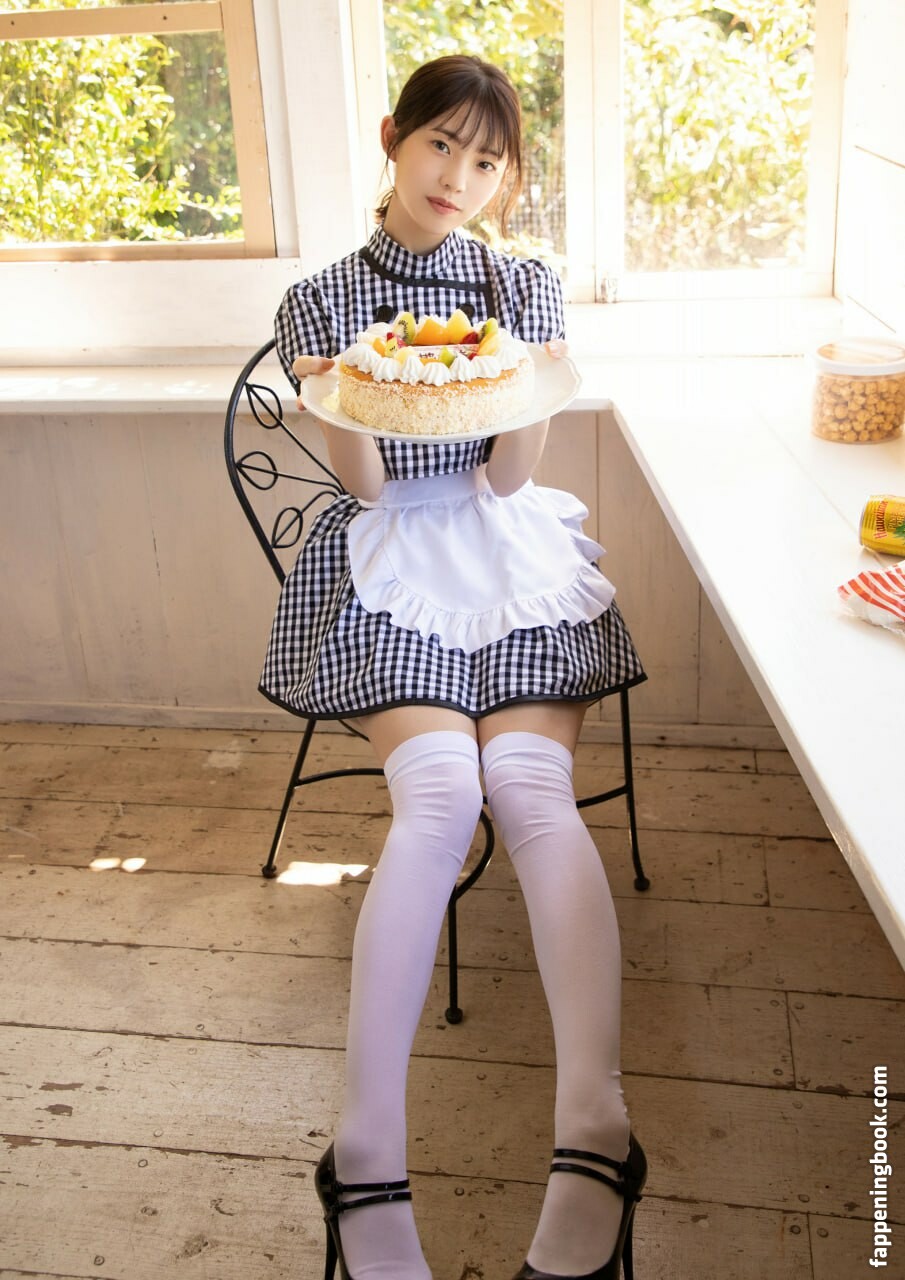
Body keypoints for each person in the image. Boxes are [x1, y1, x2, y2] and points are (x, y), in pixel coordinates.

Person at [261, 53, 648, 1280]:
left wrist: (528, 375)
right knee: (438, 793)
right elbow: (371, 486)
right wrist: (346, 394)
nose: (458, 178)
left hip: (504, 538)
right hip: (391, 548)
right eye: (440, 145)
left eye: (486, 161)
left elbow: (507, 474)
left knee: (527, 786)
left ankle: (597, 1126)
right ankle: (363, 1149)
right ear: (393, 136)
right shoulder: (323, 299)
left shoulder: (517, 284)